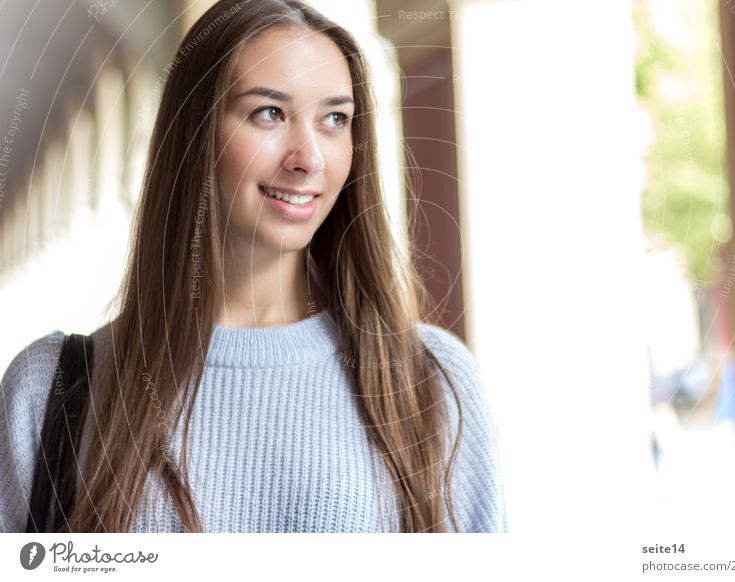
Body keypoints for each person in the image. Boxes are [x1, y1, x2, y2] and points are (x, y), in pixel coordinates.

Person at [0, 0, 507, 533]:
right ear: (193, 134)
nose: (309, 156)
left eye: (335, 119)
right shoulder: (49, 393)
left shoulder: (433, 382)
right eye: (270, 112)